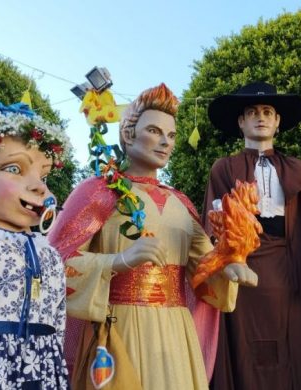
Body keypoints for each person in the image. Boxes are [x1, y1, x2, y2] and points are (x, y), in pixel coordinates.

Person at [48, 83, 258, 390]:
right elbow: (56, 262)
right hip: (121, 327)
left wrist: (229, 264)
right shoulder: (98, 191)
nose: (165, 143)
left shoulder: (181, 203)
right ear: (128, 134)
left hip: (177, 331)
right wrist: (117, 261)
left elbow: (203, 270)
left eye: (171, 135)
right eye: (155, 131)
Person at [204, 81, 301, 390]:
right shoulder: (224, 168)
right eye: (252, 111)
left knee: (297, 349)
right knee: (249, 350)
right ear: (241, 121)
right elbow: (214, 225)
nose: (261, 117)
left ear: (278, 122)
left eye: (268, 111)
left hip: (293, 272)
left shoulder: (297, 169)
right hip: (243, 274)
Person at [0, 103, 71, 389]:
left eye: (43, 176)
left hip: (43, 372)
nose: (39, 187)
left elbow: (58, 324)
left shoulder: (49, 253)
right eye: (13, 168)